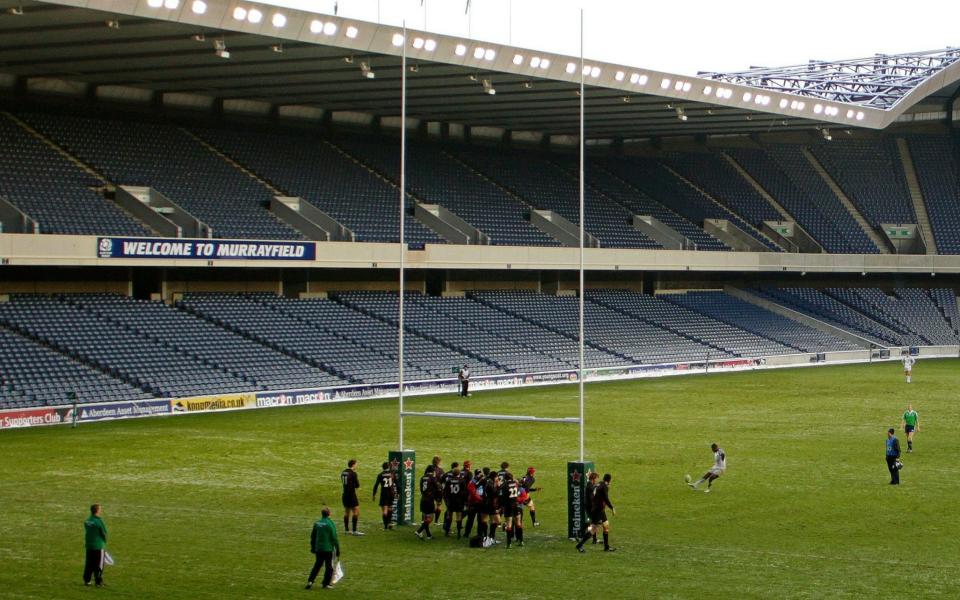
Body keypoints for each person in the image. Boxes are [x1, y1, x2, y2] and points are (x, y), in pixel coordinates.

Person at [576, 473, 616, 553]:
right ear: (609, 480)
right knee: (594, 529)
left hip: (599, 510)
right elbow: (606, 498)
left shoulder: (599, 484)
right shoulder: (604, 487)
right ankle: (580, 545)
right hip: (597, 511)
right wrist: (612, 508)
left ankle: (606, 547)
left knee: (606, 525)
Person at [306, 506, 340, 590]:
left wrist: (313, 547)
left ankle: (310, 581)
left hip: (319, 548)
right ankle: (326, 583)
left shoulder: (317, 523)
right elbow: (334, 538)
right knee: (329, 567)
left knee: (317, 565)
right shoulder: (330, 524)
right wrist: (338, 549)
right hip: (328, 549)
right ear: (329, 514)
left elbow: (313, 537)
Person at [83, 503, 108, 587]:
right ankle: (98, 582)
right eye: (100, 509)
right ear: (97, 510)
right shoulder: (99, 521)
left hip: (89, 545)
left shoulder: (87, 521)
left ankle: (87, 580)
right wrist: (104, 541)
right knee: (99, 564)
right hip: (98, 546)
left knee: (89, 563)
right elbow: (104, 533)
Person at [415, 465, 441, 540]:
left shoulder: (422, 477)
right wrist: (438, 499)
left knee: (425, 518)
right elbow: (437, 488)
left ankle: (429, 535)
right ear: (433, 471)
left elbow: (421, 488)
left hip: (423, 499)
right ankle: (419, 531)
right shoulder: (432, 478)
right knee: (430, 518)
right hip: (429, 500)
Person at [340, 459, 363, 536]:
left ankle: (346, 530)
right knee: (356, 512)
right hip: (351, 495)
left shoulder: (343, 472)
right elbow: (357, 485)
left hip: (345, 494)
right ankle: (354, 531)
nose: (357, 466)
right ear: (353, 465)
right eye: (356, 464)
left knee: (347, 512)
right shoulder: (353, 473)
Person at [371, 461, 397, 530]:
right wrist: (398, 493)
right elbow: (397, 484)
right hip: (392, 493)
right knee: (390, 507)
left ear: (383, 467)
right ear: (389, 467)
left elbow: (376, 485)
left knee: (385, 510)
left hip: (384, 494)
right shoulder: (392, 474)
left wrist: (374, 494)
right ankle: (390, 522)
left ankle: (385, 526)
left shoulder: (380, 475)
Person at [443, 463, 465, 538]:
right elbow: (464, 492)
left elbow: (445, 491)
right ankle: (459, 533)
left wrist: (446, 500)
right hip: (459, 501)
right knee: (459, 516)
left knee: (449, 516)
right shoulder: (462, 481)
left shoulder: (448, 481)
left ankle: (447, 531)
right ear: (459, 473)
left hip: (450, 501)